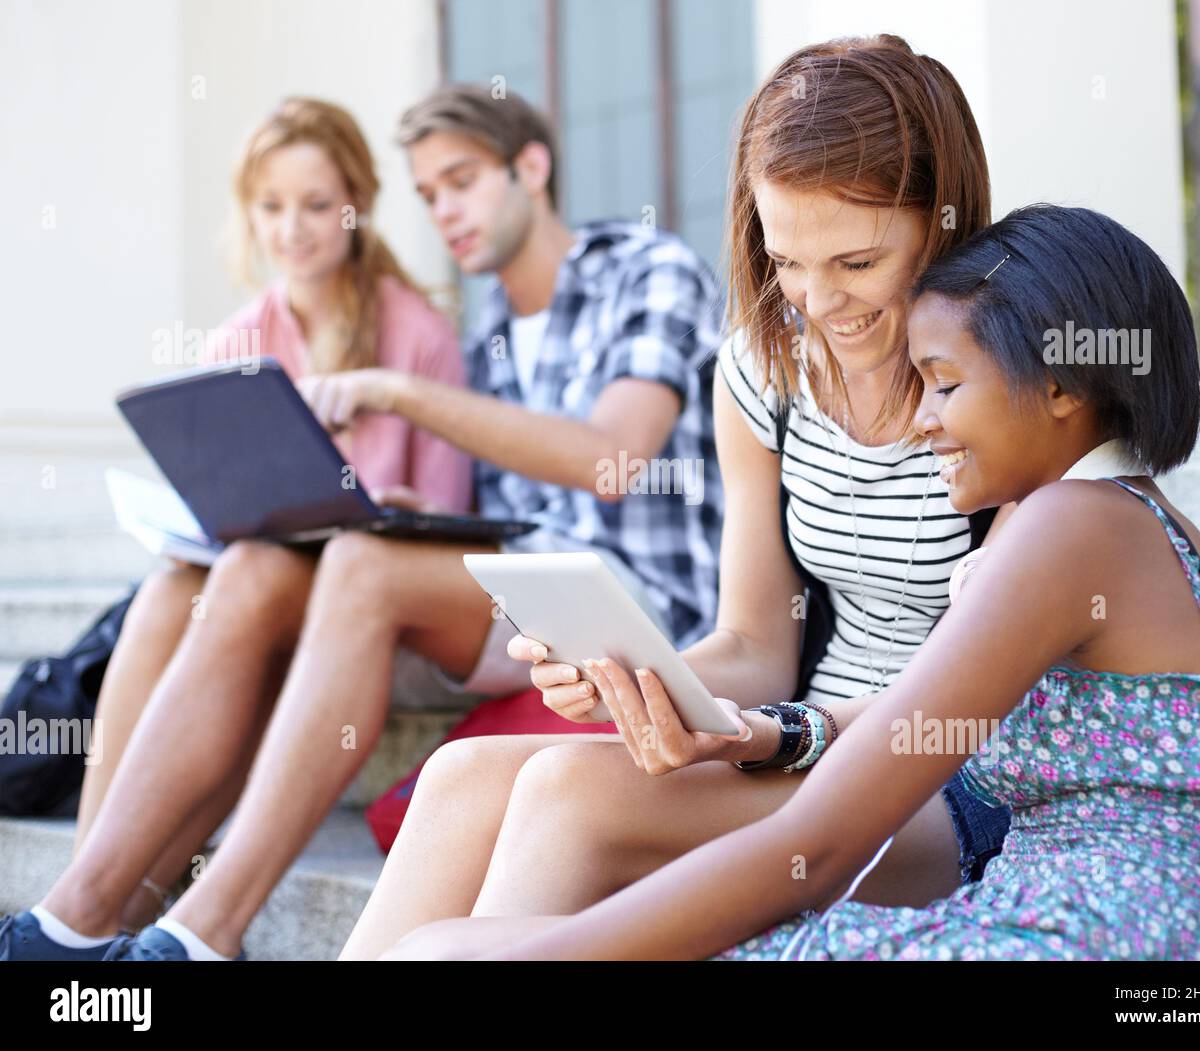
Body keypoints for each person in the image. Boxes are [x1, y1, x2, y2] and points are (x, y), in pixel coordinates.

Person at [386, 204, 1200, 961]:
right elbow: (917, 720)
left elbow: (814, 850)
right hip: (1066, 923)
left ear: (1057, 383)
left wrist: (539, 953)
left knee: (449, 950)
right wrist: (753, 730)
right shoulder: (1115, 519)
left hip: (1079, 941)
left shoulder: (1076, 526)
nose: (924, 421)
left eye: (942, 384)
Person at [0, 83, 723, 962]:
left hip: (630, 603)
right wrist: (423, 519)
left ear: (531, 167)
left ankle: (204, 931)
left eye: (459, 180)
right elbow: (506, 508)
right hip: (516, 592)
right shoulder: (493, 323)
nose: (442, 211)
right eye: (426, 193)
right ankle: (78, 916)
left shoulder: (645, 269)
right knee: (230, 576)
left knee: (357, 565)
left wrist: (398, 394)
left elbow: (612, 459)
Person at [341, 35, 1016, 960]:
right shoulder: (763, 364)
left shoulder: (1003, 377)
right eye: (789, 261)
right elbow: (754, 643)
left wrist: (765, 734)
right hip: (796, 744)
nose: (820, 302)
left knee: (566, 794)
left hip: (949, 779)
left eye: (858, 263)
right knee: (457, 775)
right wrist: (646, 682)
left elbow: (1005, 685)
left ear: (941, 221)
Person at [0, 96, 472, 959]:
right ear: (248, 213)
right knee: (176, 584)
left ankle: (93, 913)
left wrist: (390, 500)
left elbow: (451, 515)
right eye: (271, 206)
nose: (293, 228)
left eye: (316, 203)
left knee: (249, 575)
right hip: (254, 592)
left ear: (357, 204)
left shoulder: (416, 334)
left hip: (369, 603)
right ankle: (85, 901)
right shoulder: (238, 338)